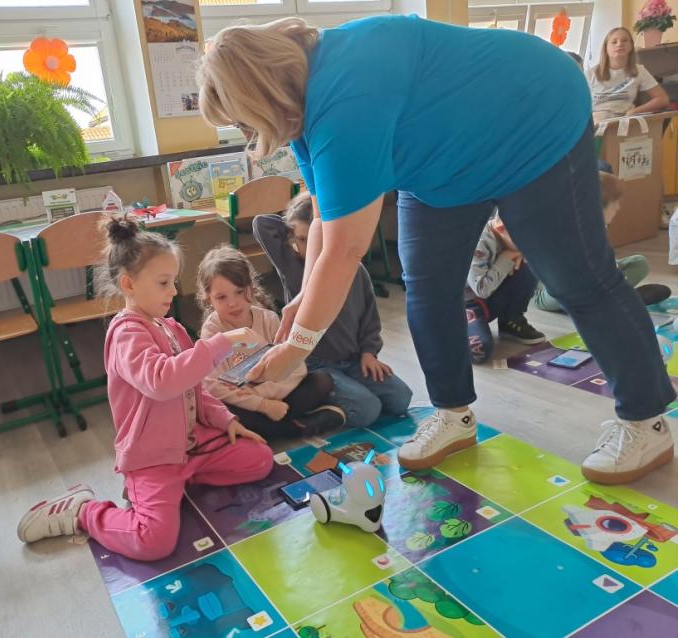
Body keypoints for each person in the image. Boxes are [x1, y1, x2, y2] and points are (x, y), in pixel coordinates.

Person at [197, 15, 675, 485]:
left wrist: (296, 346)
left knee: (578, 279)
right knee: (427, 286)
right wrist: (303, 300)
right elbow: (325, 216)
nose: (246, 132)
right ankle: (453, 414)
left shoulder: (345, 98)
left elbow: (345, 250)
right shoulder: (303, 106)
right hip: (446, 158)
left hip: (534, 118)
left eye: (241, 119)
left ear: (261, 94)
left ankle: (646, 421)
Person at [17, 216, 272, 560]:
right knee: (153, 542)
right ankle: (83, 512)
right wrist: (221, 343)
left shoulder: (171, 327)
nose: (173, 291)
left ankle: (181, 482)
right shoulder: (127, 333)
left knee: (259, 460)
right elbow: (162, 381)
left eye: (173, 282)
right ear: (129, 284)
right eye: (164, 283)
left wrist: (226, 420)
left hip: (191, 447)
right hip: (153, 458)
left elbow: (196, 389)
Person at [252, 192, 412, 426]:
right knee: (368, 409)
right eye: (302, 240)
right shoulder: (291, 265)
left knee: (401, 398)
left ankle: (347, 391)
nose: (310, 248)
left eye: (317, 240)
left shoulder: (353, 269)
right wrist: (305, 210)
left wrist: (369, 352)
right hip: (316, 365)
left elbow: (369, 317)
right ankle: (319, 402)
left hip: (353, 360)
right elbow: (261, 224)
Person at [198, 245, 345, 438]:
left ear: (251, 287)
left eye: (239, 291)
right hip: (245, 403)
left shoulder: (268, 319)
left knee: (322, 380)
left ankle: (277, 426)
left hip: (275, 394)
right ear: (208, 299)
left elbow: (296, 367)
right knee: (222, 411)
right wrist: (263, 405)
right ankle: (298, 428)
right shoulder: (212, 330)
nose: (233, 303)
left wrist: (264, 396)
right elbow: (212, 385)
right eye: (221, 297)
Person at [533, 171, 670, 312]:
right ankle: (618, 299)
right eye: (615, 203)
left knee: (639, 263)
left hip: (589, 283)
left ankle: (613, 298)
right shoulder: (570, 230)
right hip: (552, 291)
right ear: (597, 207)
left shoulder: (598, 227)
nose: (618, 207)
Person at [466, 216, 545, 364]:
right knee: (479, 351)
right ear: (501, 229)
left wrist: (519, 254)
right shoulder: (479, 242)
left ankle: (510, 320)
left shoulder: (509, 236)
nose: (527, 245)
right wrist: (507, 257)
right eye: (523, 241)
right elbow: (481, 289)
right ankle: (449, 329)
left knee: (531, 263)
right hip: (468, 304)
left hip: (489, 299)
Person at [587, 27, 669, 122]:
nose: (619, 44)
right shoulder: (590, 73)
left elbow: (662, 99)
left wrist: (635, 111)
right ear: (606, 48)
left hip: (625, 120)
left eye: (625, 41)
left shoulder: (639, 70)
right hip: (597, 121)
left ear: (630, 46)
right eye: (614, 42)